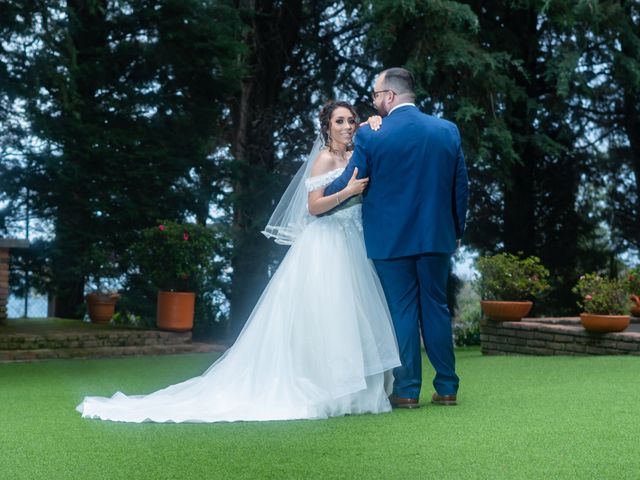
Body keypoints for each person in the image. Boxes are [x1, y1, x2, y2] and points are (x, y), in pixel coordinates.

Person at [76, 101, 401, 423]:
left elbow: (376, 139)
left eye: (350, 121)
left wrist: (374, 122)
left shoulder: (352, 154)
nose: (346, 126)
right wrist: (348, 191)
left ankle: (353, 390)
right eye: (339, 121)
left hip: (350, 242)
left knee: (346, 313)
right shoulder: (325, 158)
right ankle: (326, 386)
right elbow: (313, 207)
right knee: (325, 313)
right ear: (327, 126)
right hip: (326, 244)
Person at [323, 68, 469, 409]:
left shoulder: (373, 136)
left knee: (401, 312)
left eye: (375, 96)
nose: (374, 103)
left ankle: (406, 391)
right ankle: (447, 387)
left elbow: (351, 178)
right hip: (436, 237)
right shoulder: (447, 131)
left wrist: (318, 202)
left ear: (389, 96)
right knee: (436, 308)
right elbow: (460, 188)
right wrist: (455, 231)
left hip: (389, 240)